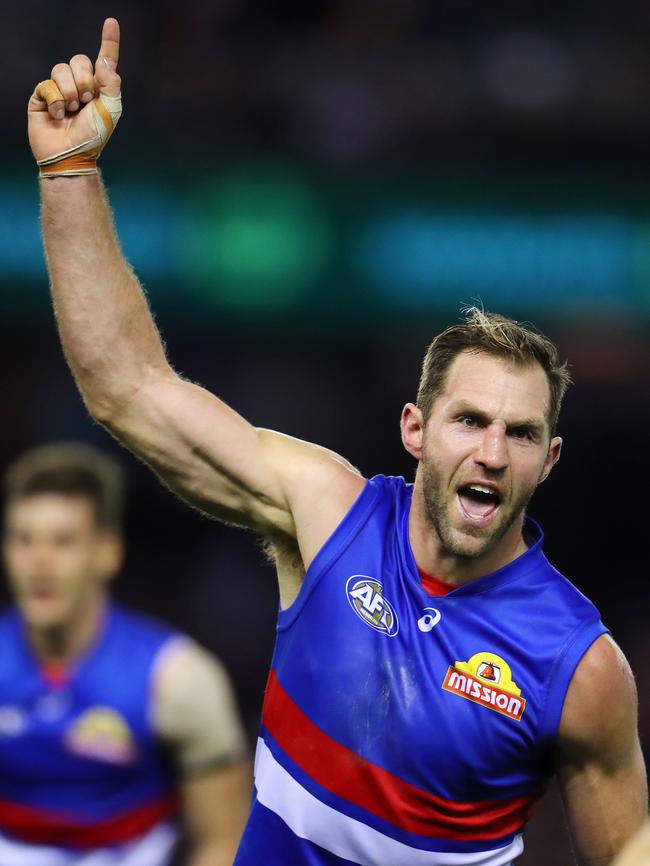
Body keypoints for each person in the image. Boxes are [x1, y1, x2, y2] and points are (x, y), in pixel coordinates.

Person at [27, 18, 647, 866]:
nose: (494, 453)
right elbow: (128, 389)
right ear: (415, 431)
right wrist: (70, 170)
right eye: (470, 421)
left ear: (551, 459)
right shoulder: (326, 516)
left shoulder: (580, 667)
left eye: (522, 432)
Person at [0, 442, 250, 866]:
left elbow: (222, 843)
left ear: (106, 552)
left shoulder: (177, 680)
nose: (39, 563)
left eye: (63, 542)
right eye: (23, 540)